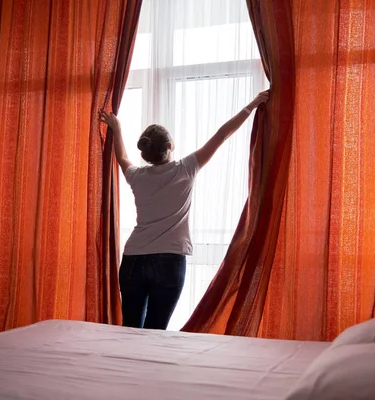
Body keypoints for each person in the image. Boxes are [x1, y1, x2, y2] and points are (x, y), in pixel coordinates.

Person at [98, 89, 270, 330]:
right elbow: (221, 135)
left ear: (146, 153)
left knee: (130, 329)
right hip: (169, 261)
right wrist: (252, 105)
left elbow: (122, 157)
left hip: (133, 259)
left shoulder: (137, 176)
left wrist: (117, 128)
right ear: (170, 146)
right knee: (156, 331)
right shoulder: (185, 169)